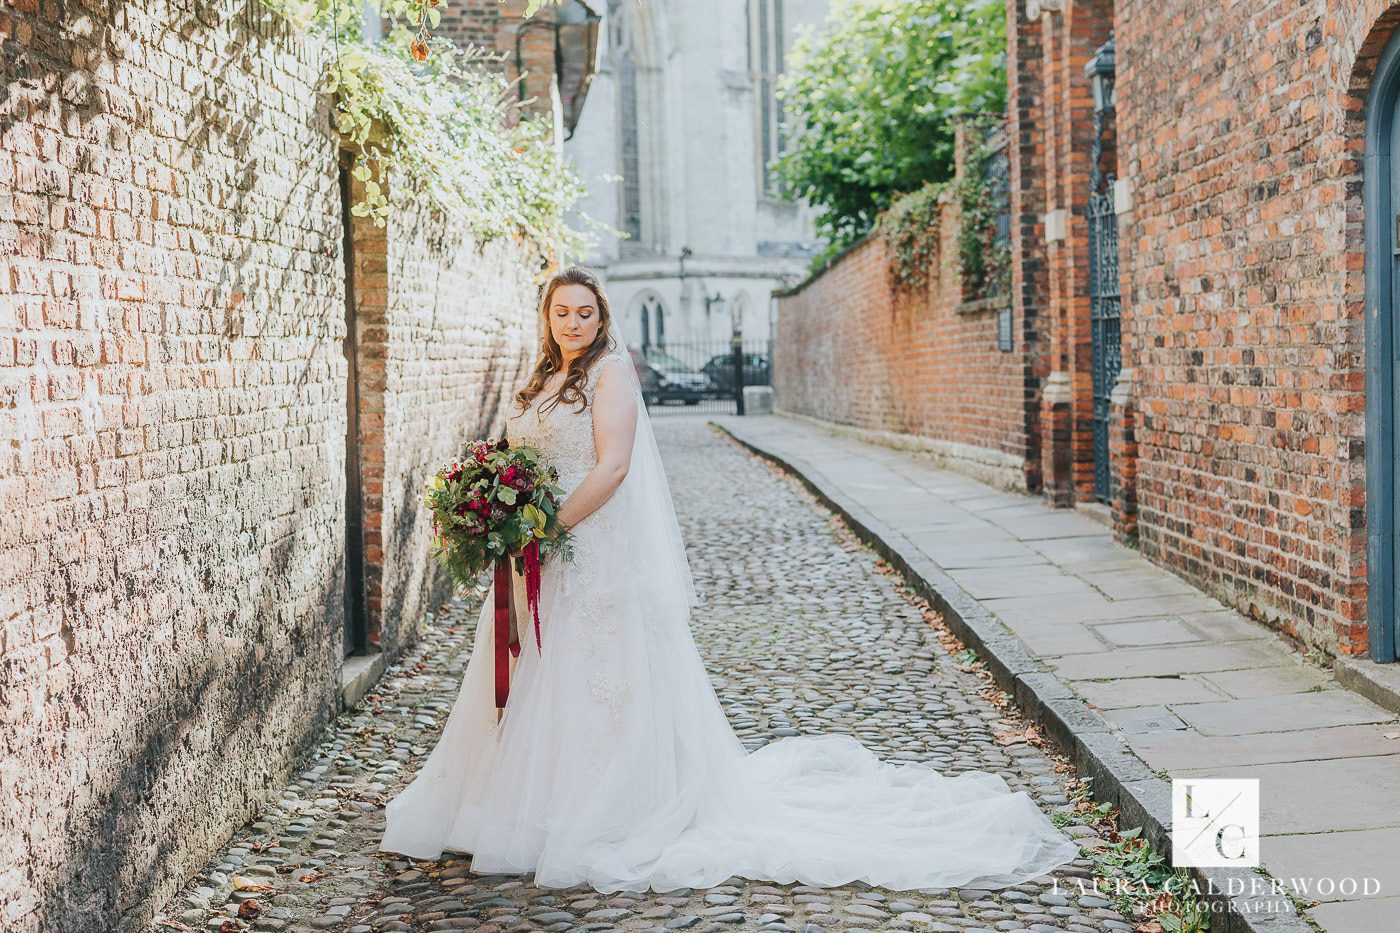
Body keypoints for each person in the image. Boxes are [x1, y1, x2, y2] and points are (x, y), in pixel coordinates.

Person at [377, 265, 1080, 893]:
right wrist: (491, 496)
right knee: (534, 676)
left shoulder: (609, 374)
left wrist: (547, 525)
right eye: (562, 311)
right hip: (536, 560)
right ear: (547, 316)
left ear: (602, 316)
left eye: (585, 312)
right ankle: (519, 802)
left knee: (595, 679)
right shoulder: (539, 378)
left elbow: (613, 467)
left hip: (586, 553)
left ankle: (603, 805)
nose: (574, 322)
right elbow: (520, 454)